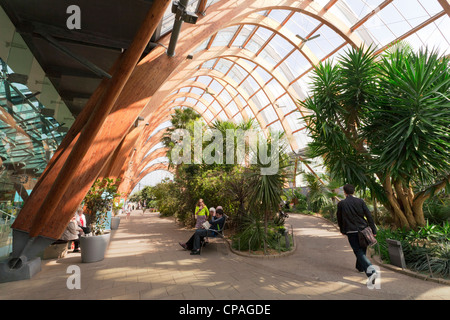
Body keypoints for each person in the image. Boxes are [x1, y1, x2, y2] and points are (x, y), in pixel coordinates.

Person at [337, 184, 377, 279]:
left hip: (351, 231)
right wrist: (373, 230)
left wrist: (342, 230)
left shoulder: (341, 204)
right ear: (353, 191)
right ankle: (360, 267)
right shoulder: (360, 201)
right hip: (363, 230)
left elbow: (339, 218)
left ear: (344, 192)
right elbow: (369, 216)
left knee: (358, 251)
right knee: (362, 249)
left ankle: (371, 271)